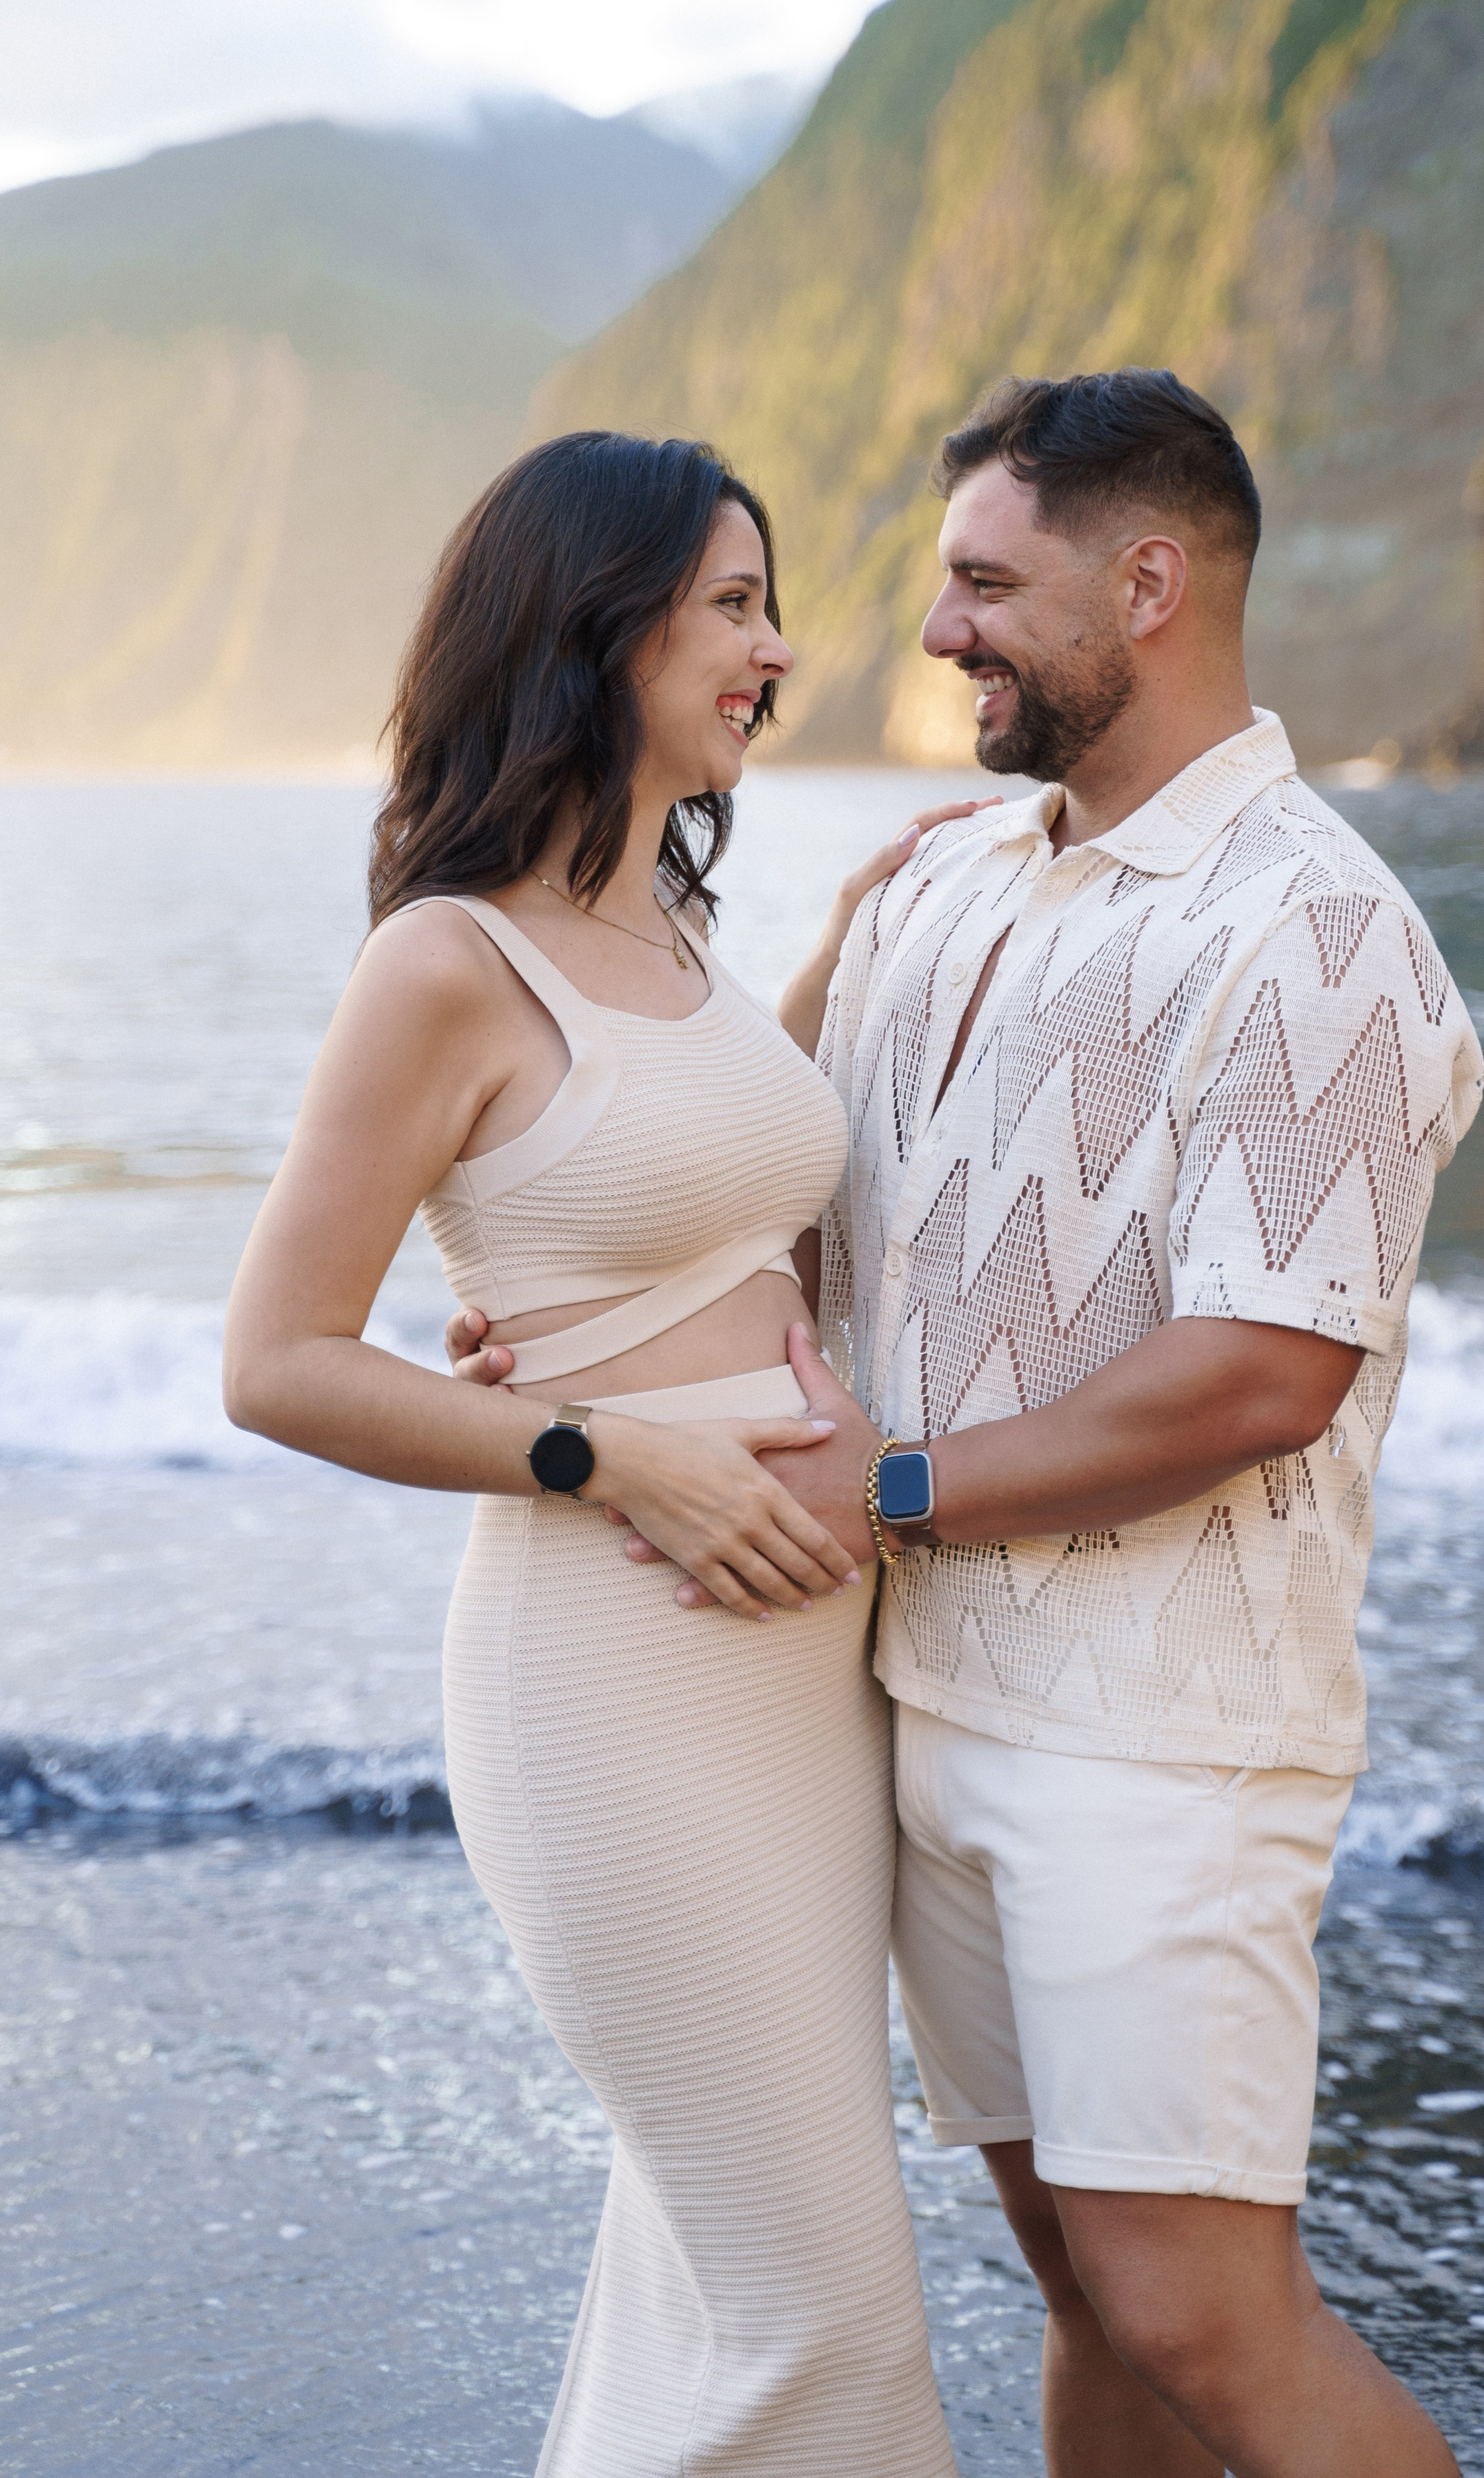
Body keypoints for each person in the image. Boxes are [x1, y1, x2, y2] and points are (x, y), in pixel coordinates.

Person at [480, 369, 1483, 2477]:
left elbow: (1266, 1367)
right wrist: (600, 1332)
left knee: (1206, 2315)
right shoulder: (939, 890)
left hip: (1161, 1734)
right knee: (1083, 2288)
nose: (937, 632)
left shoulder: (1315, 930)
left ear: (1150, 585)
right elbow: (806, 1213)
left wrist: (898, 1486)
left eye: (986, 585)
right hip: (918, 1705)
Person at [223, 429, 980, 2477]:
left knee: (700, 2285)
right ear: (596, 625)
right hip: (615, 1664)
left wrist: (845, 952)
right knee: (823, 2314)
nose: (778, 650)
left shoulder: (671, 932)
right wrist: (607, 1454)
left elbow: (702, 1178)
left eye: (769, 606)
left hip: (801, 1670)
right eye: (733, 606)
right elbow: (276, 1363)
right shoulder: (444, 961)